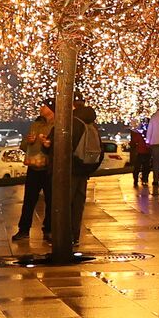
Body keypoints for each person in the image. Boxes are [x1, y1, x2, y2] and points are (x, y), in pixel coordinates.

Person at [50, 105, 103, 246]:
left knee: (64, 203)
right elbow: (100, 152)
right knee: (78, 205)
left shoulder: (72, 124)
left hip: (70, 171)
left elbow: (61, 147)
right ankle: (75, 236)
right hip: (84, 171)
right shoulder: (92, 127)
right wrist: (88, 169)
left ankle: (63, 236)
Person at [13, 101, 54, 240]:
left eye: (44, 106)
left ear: (52, 109)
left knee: (51, 200)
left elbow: (59, 146)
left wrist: (48, 144)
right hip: (33, 167)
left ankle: (49, 229)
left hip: (49, 168)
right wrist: (28, 141)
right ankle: (23, 229)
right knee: (29, 200)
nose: (41, 108)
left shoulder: (56, 125)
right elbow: (23, 145)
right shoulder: (36, 124)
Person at [130, 119, 152, 187]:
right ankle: (145, 179)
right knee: (146, 167)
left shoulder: (138, 134)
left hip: (139, 152)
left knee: (137, 167)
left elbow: (134, 142)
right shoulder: (150, 133)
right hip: (147, 152)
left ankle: (136, 180)